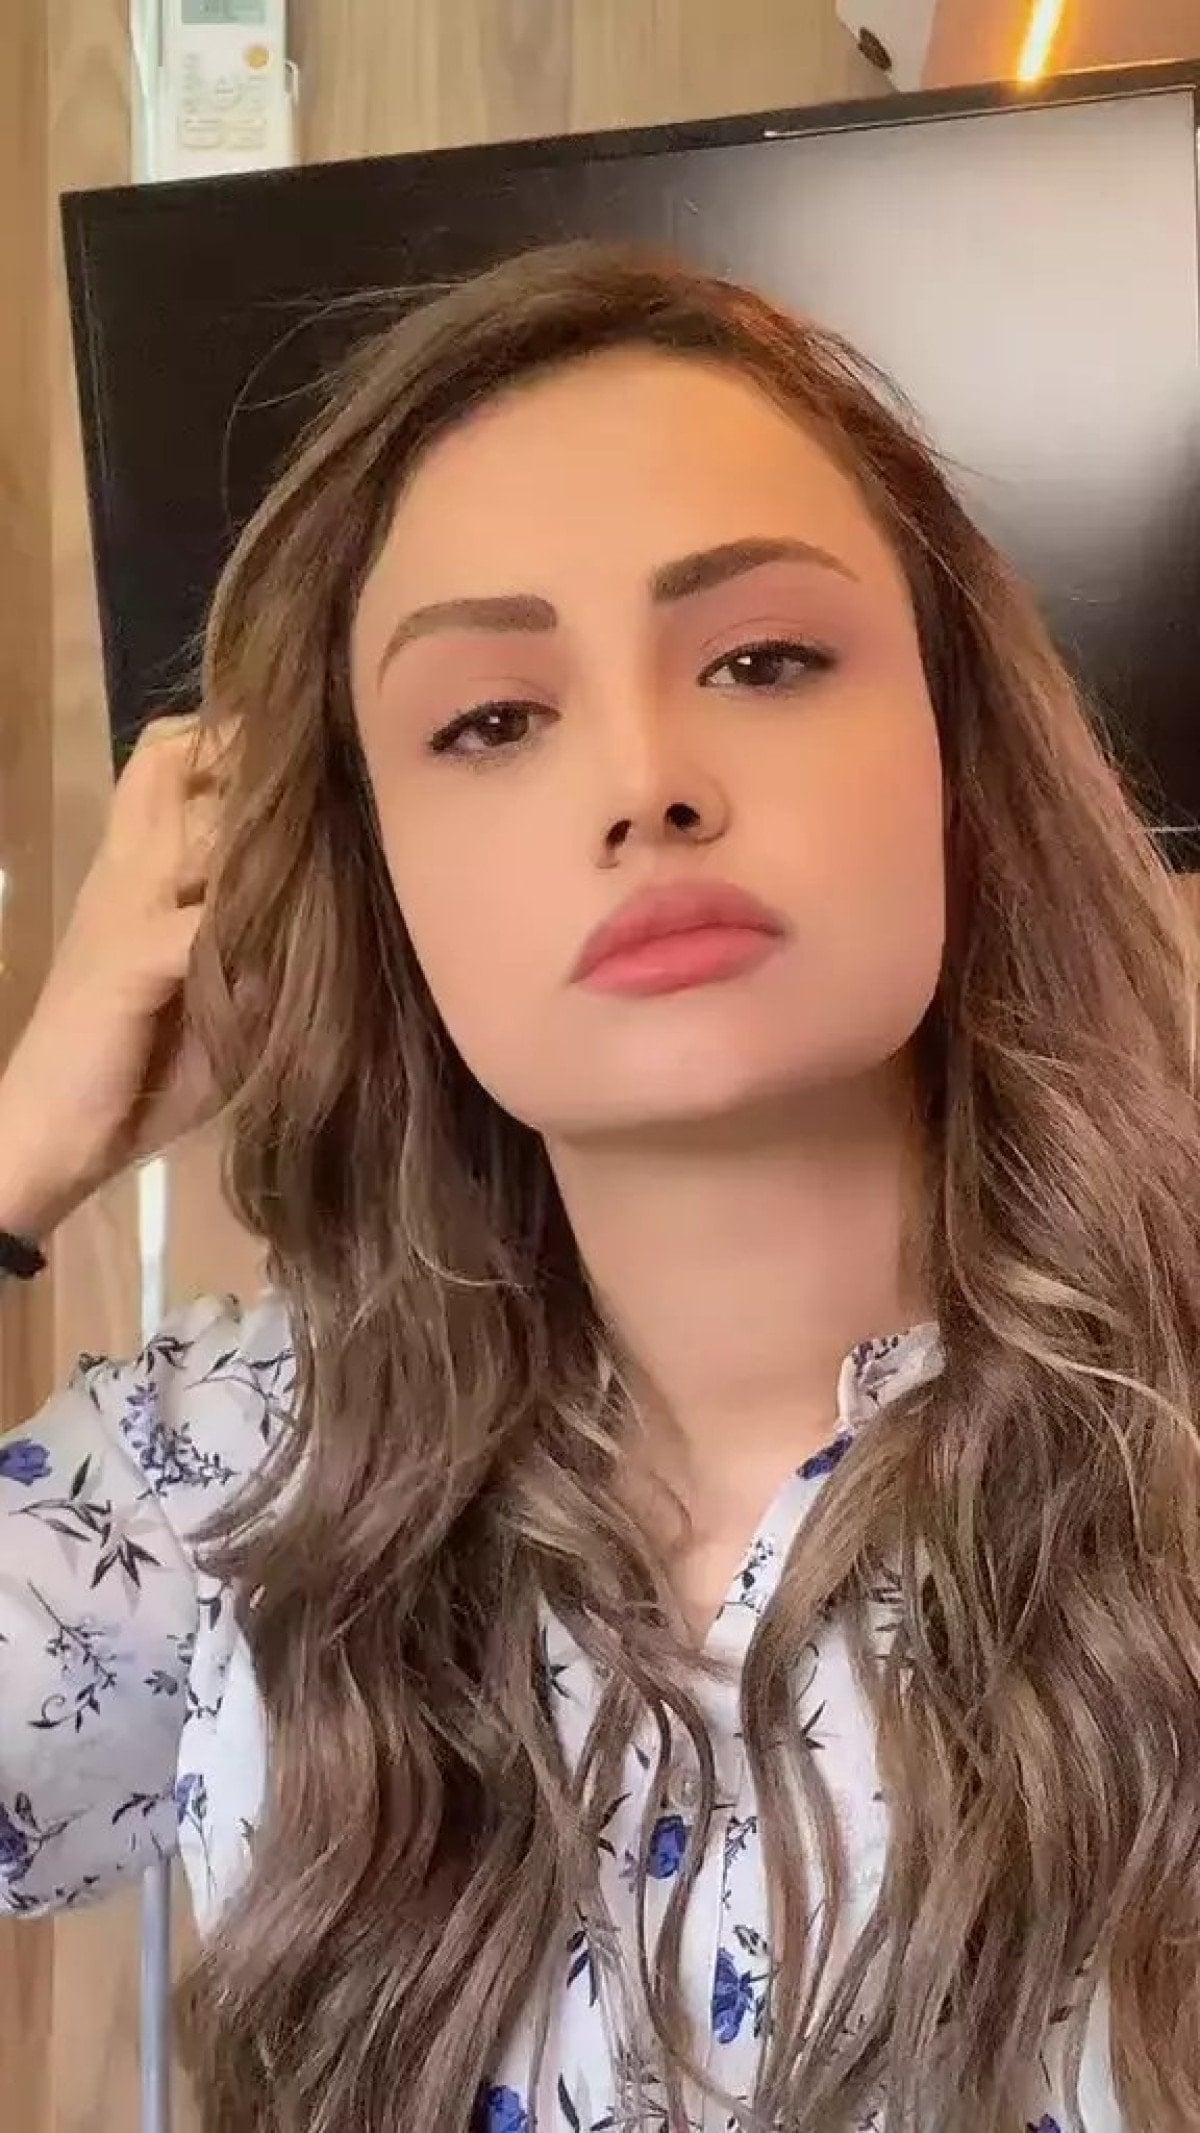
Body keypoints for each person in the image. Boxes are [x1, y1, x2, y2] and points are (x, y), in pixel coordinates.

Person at [0, 241, 1196, 2133]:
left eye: (762, 659)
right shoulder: (235, 1480)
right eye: (491, 719)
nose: (646, 780)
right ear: (371, 876)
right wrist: (25, 1141)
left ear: (959, 755)